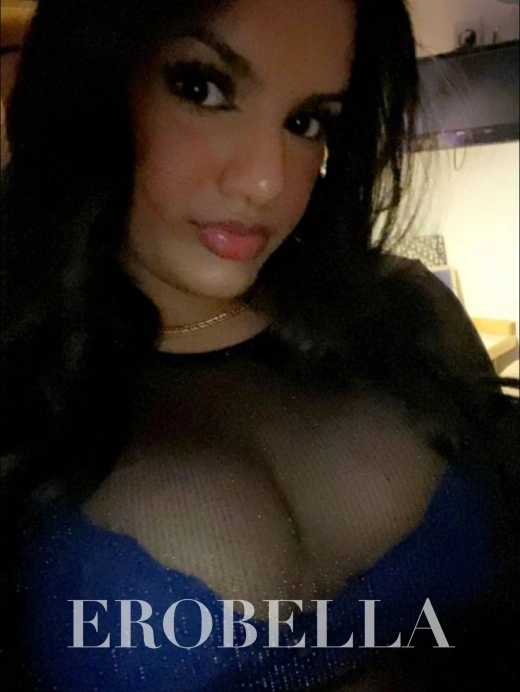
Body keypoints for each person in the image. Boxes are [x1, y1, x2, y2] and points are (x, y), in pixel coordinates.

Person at [1, 0, 518, 690]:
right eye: (201, 88)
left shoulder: (406, 315)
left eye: (306, 122)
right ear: (88, 83)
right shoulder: (19, 378)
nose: (266, 181)